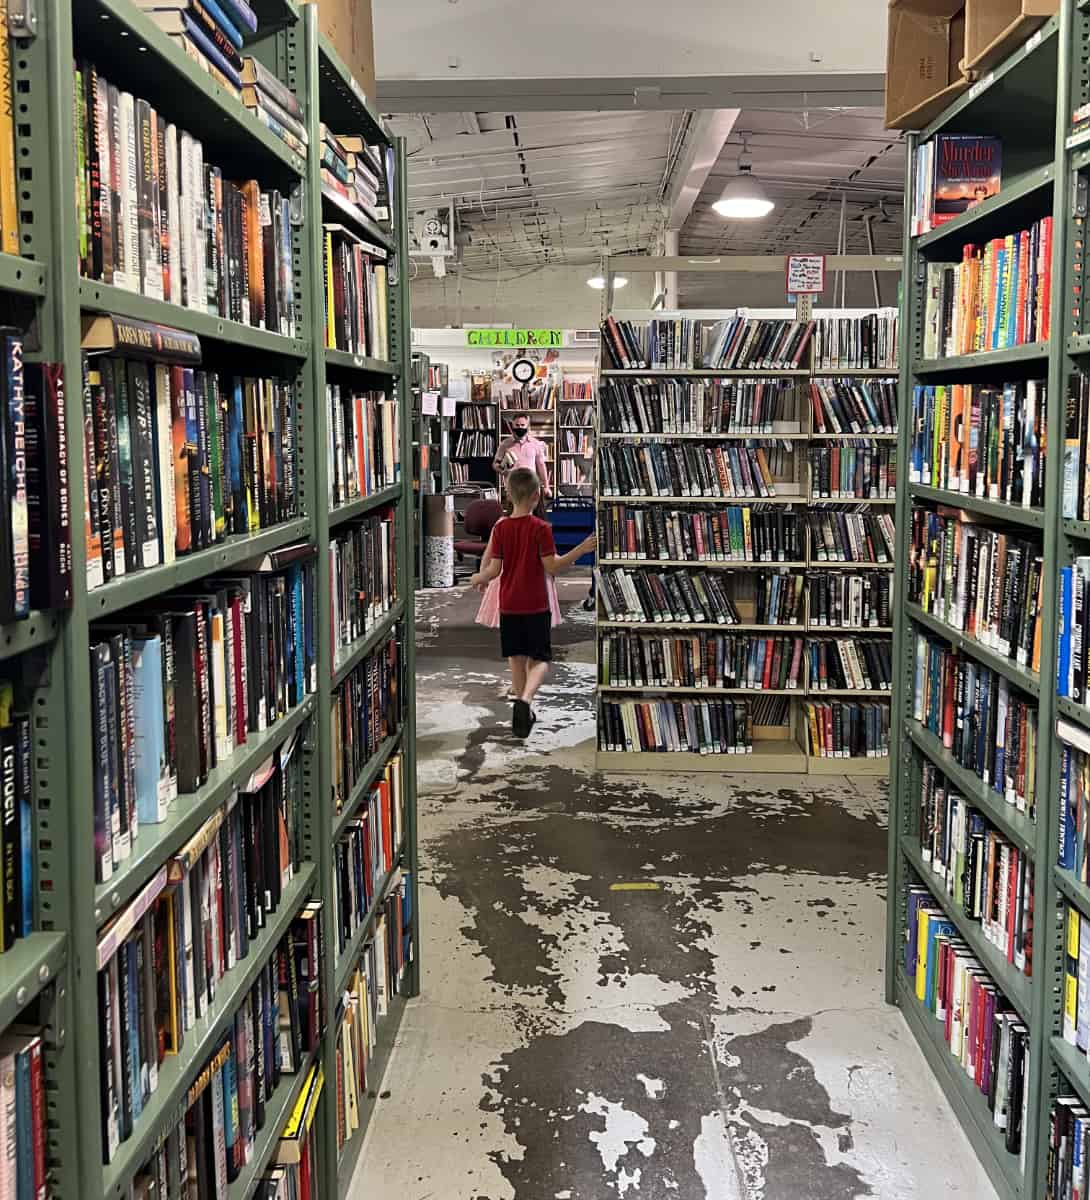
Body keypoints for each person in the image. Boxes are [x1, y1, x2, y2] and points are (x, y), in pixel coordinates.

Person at [470, 468, 595, 738]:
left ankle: (522, 708)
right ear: (538, 496)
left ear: (508, 495)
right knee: (540, 659)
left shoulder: (501, 527)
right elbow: (553, 566)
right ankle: (525, 700)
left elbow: (493, 570)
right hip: (536, 605)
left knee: (516, 658)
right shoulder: (541, 529)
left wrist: (477, 577)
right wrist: (581, 549)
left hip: (509, 605)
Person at [493, 416, 550, 516]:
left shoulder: (535, 444)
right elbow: (495, 464)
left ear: (527, 426)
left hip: (532, 488)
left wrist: (546, 486)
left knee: (537, 520)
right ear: (512, 426)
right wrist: (502, 470)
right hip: (513, 489)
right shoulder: (505, 444)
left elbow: (541, 465)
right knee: (513, 520)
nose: (520, 428)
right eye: (517, 425)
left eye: (523, 425)